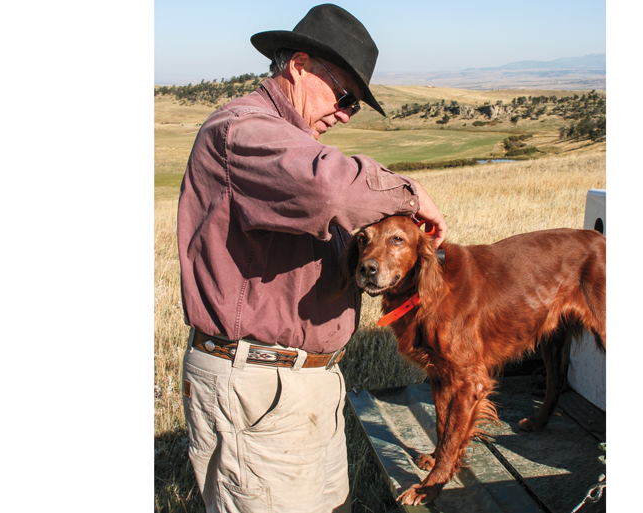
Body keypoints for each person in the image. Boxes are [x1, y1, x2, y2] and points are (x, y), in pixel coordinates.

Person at [177, 4, 447, 512]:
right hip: (259, 391)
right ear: (299, 66)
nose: (346, 113)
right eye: (344, 95)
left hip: (306, 386)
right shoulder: (243, 130)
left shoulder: (289, 142)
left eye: (356, 106)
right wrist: (411, 195)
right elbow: (332, 193)